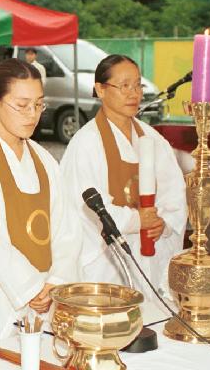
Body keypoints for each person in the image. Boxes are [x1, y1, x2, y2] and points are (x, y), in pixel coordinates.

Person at [0, 59, 80, 336]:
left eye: (38, 104)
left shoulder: (45, 159)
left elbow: (68, 227)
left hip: (47, 296)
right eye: (22, 105)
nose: (32, 115)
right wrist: (31, 287)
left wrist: (56, 280)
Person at [60, 54, 186, 319]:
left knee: (151, 318)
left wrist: (163, 222)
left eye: (138, 85)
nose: (134, 94)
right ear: (100, 89)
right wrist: (135, 219)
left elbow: (174, 192)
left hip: (148, 254)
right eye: (124, 86)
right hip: (106, 260)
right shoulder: (86, 144)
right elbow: (81, 207)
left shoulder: (152, 139)